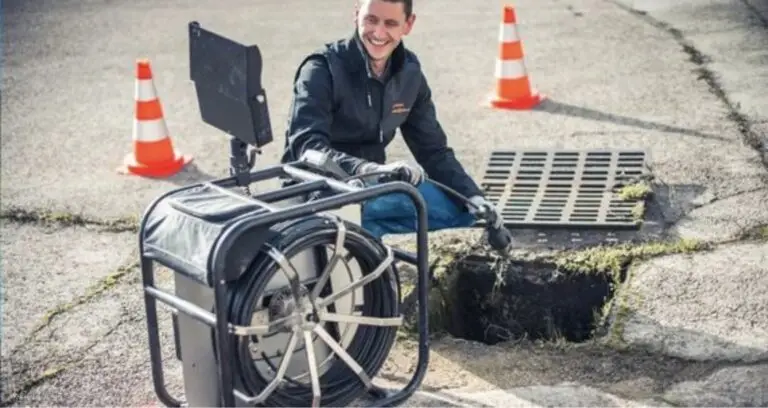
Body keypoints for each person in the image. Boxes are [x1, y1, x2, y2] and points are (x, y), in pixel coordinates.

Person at [281, 0, 503, 239]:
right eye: (371, 20)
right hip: (318, 191)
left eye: (390, 23)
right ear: (356, 15)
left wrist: (473, 196)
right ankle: (351, 241)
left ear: (408, 24)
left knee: (464, 214)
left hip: (372, 189)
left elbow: (433, 150)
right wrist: (367, 169)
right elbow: (307, 147)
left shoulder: (409, 73)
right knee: (360, 218)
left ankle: (367, 242)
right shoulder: (321, 69)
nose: (378, 33)